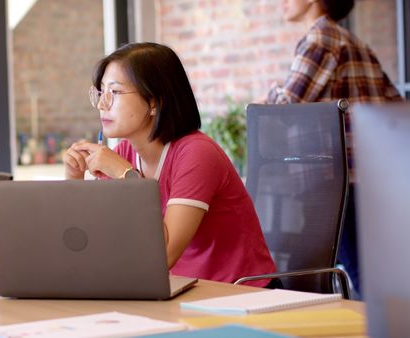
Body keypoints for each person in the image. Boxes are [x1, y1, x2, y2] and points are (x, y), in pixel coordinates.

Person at [65, 42, 277, 287]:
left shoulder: (197, 154)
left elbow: (162, 254)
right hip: (180, 290)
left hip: (238, 294)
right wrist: (74, 180)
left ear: (155, 102)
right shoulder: (124, 152)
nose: (102, 104)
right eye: (101, 93)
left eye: (115, 92)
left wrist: (125, 175)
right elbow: (94, 241)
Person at [264, 0, 403, 297]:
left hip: (333, 181)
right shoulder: (358, 45)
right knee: (370, 272)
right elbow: (394, 107)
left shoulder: (319, 40)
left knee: (353, 276)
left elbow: (285, 109)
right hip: (370, 177)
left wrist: (271, 91)